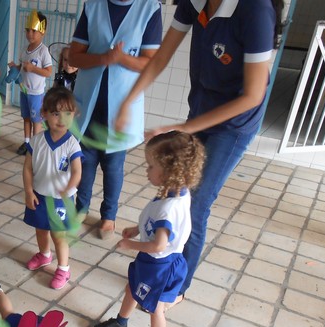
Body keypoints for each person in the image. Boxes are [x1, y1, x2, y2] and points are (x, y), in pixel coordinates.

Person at [116, 0, 282, 309]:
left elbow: (253, 95)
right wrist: (128, 100)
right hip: (201, 110)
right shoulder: (194, 3)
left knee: (197, 203)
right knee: (175, 185)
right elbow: (161, 58)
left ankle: (177, 287)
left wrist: (185, 127)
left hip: (234, 125)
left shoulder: (255, 10)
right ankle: (161, 257)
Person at [92, 132, 204, 327]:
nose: (146, 170)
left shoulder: (169, 208)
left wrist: (130, 244)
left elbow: (159, 244)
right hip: (153, 261)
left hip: (161, 266)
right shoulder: (175, 193)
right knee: (132, 288)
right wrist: (137, 229)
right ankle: (121, 322)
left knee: (156, 307)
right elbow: (159, 227)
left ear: (169, 172)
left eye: (151, 166)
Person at [69, 0, 162, 240]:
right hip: (89, 104)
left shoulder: (149, 8)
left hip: (121, 107)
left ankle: (108, 217)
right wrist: (103, 58)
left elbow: (151, 62)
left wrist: (120, 58)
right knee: (85, 162)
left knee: (112, 167)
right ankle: (80, 208)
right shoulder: (93, 6)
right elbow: (74, 57)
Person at [23, 87, 82, 290]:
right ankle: (44, 255)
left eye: (68, 113)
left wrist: (68, 189)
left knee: (58, 235)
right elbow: (27, 168)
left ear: (74, 115)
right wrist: (28, 191)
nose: (62, 119)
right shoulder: (36, 141)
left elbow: (77, 172)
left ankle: (64, 269)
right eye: (56, 113)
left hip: (60, 200)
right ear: (44, 114)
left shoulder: (72, 144)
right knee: (41, 230)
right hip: (39, 195)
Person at [9, 10, 53, 156]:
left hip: (36, 94)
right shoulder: (24, 50)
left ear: (42, 32)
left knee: (36, 121)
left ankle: (36, 145)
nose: (30, 34)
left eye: (34, 31)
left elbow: (48, 72)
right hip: (24, 91)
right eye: (28, 30)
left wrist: (33, 68)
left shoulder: (43, 51)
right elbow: (22, 67)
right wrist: (15, 67)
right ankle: (27, 142)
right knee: (26, 118)